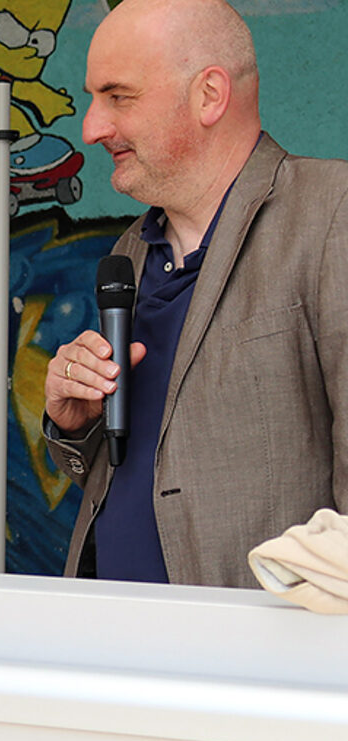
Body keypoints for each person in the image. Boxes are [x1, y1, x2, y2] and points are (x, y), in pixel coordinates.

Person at [42, 0, 348, 587]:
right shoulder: (132, 250)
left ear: (209, 94)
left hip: (259, 659)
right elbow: (156, 475)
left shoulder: (329, 214)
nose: (91, 127)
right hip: (115, 640)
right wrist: (76, 424)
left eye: (118, 96)